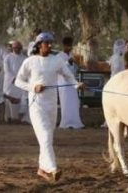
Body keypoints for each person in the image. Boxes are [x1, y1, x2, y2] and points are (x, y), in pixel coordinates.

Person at [15, 32, 83, 183]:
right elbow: (18, 81)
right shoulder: (30, 61)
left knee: (46, 139)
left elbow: (68, 75)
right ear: (39, 45)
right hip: (36, 104)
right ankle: (53, 168)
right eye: (47, 43)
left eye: (51, 43)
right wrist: (33, 87)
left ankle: (41, 169)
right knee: (45, 136)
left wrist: (76, 84)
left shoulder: (57, 60)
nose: (50, 46)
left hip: (52, 105)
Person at [56, 36, 84, 129]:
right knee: (65, 102)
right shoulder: (59, 56)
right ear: (64, 46)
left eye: (70, 45)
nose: (69, 47)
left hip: (72, 82)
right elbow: (59, 68)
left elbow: (74, 69)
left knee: (75, 102)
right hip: (63, 83)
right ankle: (65, 123)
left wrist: (77, 65)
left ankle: (75, 122)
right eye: (67, 45)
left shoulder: (72, 55)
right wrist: (68, 62)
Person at [3, 40, 28, 123]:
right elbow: (7, 71)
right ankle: (9, 117)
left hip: (21, 82)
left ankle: (19, 118)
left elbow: (26, 71)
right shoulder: (8, 57)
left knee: (23, 98)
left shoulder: (25, 58)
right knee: (9, 97)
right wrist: (13, 79)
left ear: (21, 48)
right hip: (11, 83)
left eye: (18, 48)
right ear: (12, 48)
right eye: (15, 48)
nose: (16, 49)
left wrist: (21, 80)